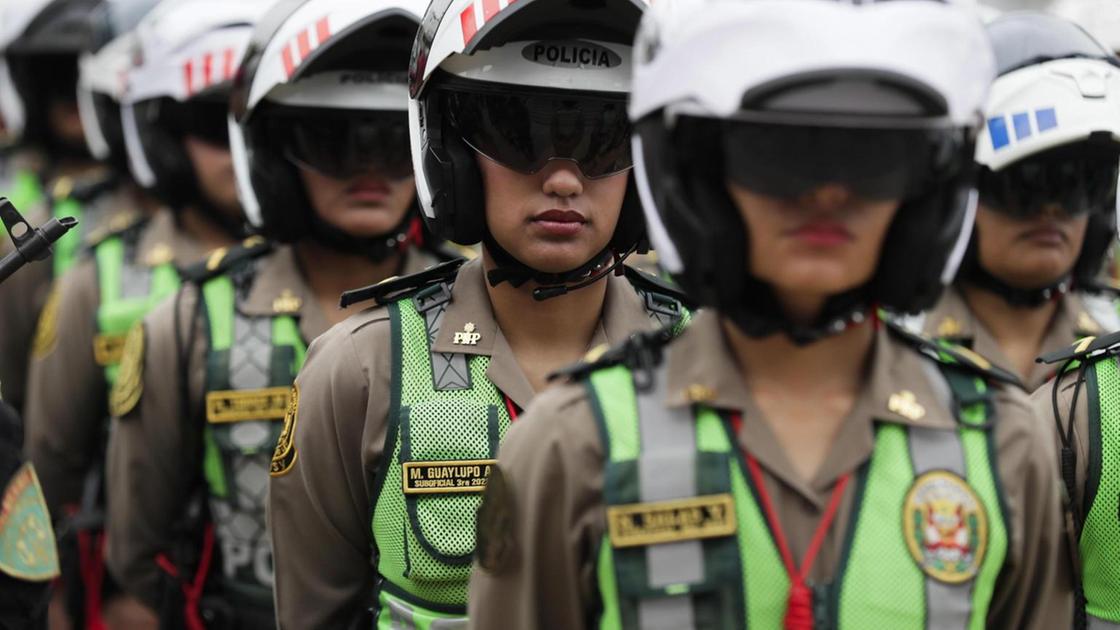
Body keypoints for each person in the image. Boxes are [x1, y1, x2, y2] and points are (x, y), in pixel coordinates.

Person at [467, 0, 1070, 628]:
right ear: (701, 176)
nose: (828, 192)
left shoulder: (1002, 444)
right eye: (779, 150)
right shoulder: (573, 442)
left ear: (923, 190)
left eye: (872, 157)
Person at [266, 0, 692, 625]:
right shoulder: (362, 369)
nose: (564, 180)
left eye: (605, 139)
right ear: (448, 149)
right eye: (520, 134)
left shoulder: (702, 355)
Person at [106, 0, 457, 626]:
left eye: (391, 142)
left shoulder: (480, 308)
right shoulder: (191, 322)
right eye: (332, 140)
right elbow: (139, 552)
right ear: (271, 151)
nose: (370, 169)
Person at [22, 1, 271, 626]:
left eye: (255, 122)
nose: (237, 148)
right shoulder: (99, 281)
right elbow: (45, 477)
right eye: (215, 125)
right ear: (163, 131)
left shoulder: (362, 285)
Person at [907, 13, 1120, 393]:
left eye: (1079, 184)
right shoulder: (892, 348)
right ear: (957, 195)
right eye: (1026, 183)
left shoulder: (1117, 343)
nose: (1052, 209)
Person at [0, 0, 114, 413]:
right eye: (56, 78)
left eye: (84, 77)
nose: (72, 96)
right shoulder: (19, 201)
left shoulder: (164, 207)